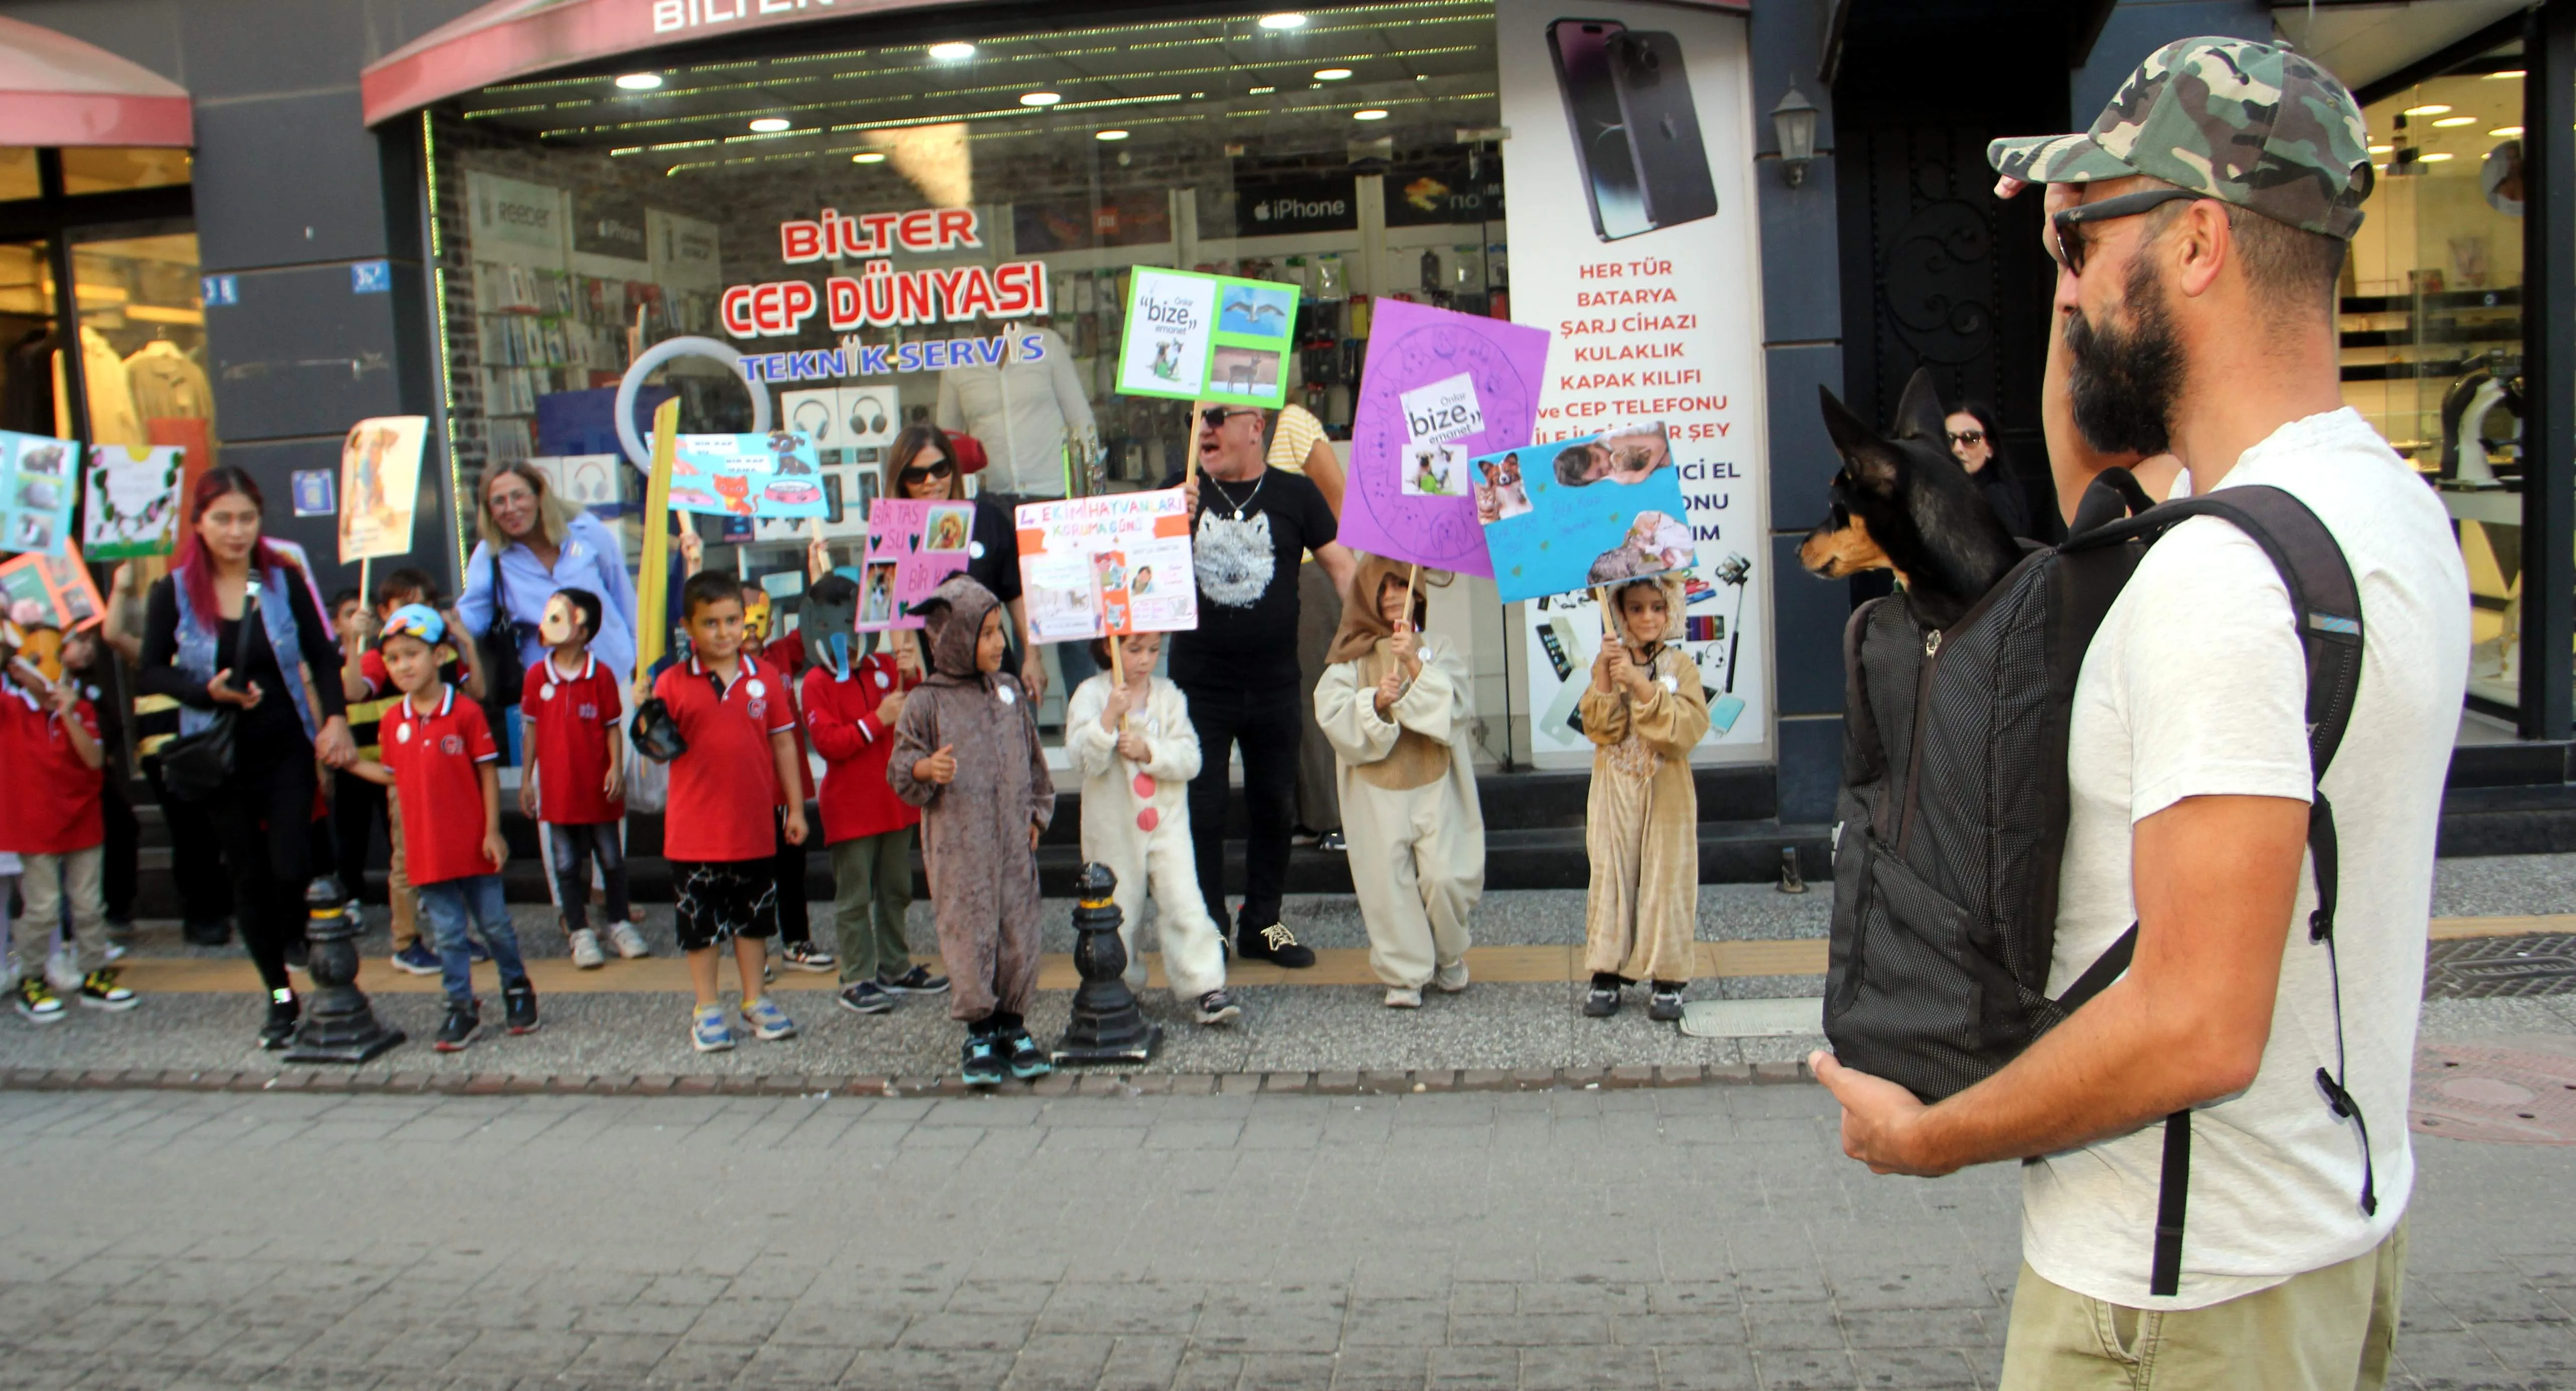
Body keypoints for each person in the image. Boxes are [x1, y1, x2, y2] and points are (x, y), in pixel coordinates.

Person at [1813, 40, 2464, 1389]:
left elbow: (2194, 1022)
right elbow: (2091, 493)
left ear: (2198, 243)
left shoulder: (2218, 579)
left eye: (2080, 243)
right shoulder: (2387, 507)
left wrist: (1927, 1137)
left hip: (2174, 1306)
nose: (2059, 282)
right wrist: (2079, 267)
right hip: (2323, 1234)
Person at [137, 467, 358, 1049]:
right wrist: (203, 690)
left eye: (246, 519)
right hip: (219, 755)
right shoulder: (175, 591)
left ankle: (300, 944)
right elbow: (150, 669)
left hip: (285, 748)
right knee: (247, 877)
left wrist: (335, 718)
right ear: (199, 524)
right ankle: (280, 996)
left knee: (291, 867)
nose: (236, 531)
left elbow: (321, 654)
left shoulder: (283, 581)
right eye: (223, 519)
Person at [1166, 404, 1358, 965]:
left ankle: (1263, 923)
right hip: (1200, 686)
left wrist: (1381, 629)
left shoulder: (1295, 494)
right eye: (1198, 419)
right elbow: (1133, 574)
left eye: (1218, 417)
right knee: (1202, 810)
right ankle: (1210, 927)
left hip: (1275, 684)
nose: (1204, 427)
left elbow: (1342, 569)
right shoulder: (1179, 490)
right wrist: (1167, 524)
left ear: (1256, 427)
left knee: (1274, 808)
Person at [888, 575, 1055, 1088]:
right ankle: (979, 1029)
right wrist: (926, 769)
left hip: (1012, 845)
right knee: (969, 931)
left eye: (999, 631)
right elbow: (900, 767)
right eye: (986, 634)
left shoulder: (1009, 692)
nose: (999, 643)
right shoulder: (927, 701)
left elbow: (1034, 761)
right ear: (956, 637)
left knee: (1018, 930)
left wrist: (1036, 815)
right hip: (960, 850)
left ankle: (1013, 1024)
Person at [345, 606, 536, 1051]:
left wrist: (492, 830)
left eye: (412, 654)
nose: (403, 666)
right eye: (393, 658)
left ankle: (516, 987)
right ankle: (461, 1006)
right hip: (426, 851)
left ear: (439, 656)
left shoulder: (465, 712)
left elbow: (487, 772)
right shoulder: (393, 720)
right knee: (448, 934)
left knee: (495, 925)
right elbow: (393, 775)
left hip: (473, 846)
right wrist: (351, 763)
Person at [1314, 556, 1485, 1009]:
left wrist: (1414, 664)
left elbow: (1457, 709)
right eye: (1383, 585)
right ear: (1367, 593)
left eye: (1401, 584)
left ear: (1418, 592)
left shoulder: (1437, 647)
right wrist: (1374, 701)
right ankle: (1406, 971)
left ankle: (1449, 951)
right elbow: (1331, 711)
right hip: (1377, 791)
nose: (1393, 595)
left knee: (1444, 876)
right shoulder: (1351, 656)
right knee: (1387, 884)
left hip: (1434, 783)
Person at [651, 570, 806, 1054]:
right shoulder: (671, 683)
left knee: (754, 920)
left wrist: (795, 808)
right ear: (688, 627)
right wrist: (647, 717)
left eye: (732, 620)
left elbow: (784, 743)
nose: (724, 632)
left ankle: (755, 999)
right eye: (711, 623)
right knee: (699, 928)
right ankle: (706, 1007)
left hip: (753, 827)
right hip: (693, 832)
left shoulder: (765, 678)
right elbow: (657, 751)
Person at [1064, 630, 1240, 1027]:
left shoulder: (1169, 696)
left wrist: (1150, 751)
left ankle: (1206, 984)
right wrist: (1107, 719)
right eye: (1134, 649)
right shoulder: (1090, 695)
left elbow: (1191, 758)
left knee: (1184, 901)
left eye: (1154, 649)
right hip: (1112, 827)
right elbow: (1084, 761)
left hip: (1167, 823)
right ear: (1109, 647)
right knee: (1119, 908)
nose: (1145, 659)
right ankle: (1120, 984)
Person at [801, 575, 947, 1016]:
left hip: (894, 802)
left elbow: (920, 711)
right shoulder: (816, 682)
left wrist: (913, 671)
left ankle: (895, 965)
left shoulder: (884, 666)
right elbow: (828, 742)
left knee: (895, 889)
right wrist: (875, 720)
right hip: (851, 809)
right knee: (854, 897)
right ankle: (856, 976)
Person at [340, 567, 487, 975]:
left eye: (424, 604)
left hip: (449, 774)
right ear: (384, 611)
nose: (415, 613)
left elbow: (477, 692)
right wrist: (353, 641)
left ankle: (454, 935)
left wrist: (467, 643)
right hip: (402, 772)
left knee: (455, 853)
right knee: (406, 860)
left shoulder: (444, 652)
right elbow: (353, 691)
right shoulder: (380, 657)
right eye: (405, 605)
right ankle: (405, 941)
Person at [1578, 575, 1707, 1021]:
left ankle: (1668, 977)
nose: (1648, 617)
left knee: (1667, 876)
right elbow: (1601, 728)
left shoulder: (1680, 665)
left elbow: (1686, 730)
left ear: (1670, 609)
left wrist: (1640, 683)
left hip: (1665, 784)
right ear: (1620, 613)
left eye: (1657, 606)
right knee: (1609, 874)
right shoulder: (1609, 659)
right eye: (1635, 608)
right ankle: (1606, 971)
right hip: (1615, 780)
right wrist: (1605, 674)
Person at [2, 625, 138, 1021]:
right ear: (17, 671)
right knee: (42, 908)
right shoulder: (10, 711)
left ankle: (95, 974)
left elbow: (93, 759)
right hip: (34, 825)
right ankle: (31, 978)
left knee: (89, 904)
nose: (47, 670)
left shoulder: (81, 708)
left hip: (82, 820)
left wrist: (68, 714)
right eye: (34, 662)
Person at [107, 559, 234, 947]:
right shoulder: (151, 652)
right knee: (189, 834)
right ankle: (201, 916)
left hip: (211, 748)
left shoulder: (211, 645)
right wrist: (120, 588)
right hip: (166, 754)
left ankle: (225, 908)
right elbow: (113, 634)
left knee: (218, 833)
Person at [883, 425, 1048, 700]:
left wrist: (1033, 657)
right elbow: (894, 613)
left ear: (953, 468)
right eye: (917, 475)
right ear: (902, 481)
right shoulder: (893, 533)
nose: (930, 481)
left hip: (995, 673)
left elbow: (1016, 595)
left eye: (940, 469)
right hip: (935, 679)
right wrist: (905, 660)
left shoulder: (986, 519)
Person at [519, 587, 638, 970]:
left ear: (583, 630)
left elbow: (612, 726)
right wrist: (526, 779)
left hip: (598, 790)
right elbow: (531, 730)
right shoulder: (536, 676)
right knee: (566, 864)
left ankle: (619, 922)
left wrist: (615, 767)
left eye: (559, 617)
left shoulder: (601, 675)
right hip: (557, 791)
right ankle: (579, 929)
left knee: (612, 860)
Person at [457, 461, 640, 695]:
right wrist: (437, 625)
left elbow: (621, 593)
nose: (510, 508)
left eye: (518, 496)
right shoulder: (490, 555)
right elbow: (473, 615)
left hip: (613, 672)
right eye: (499, 501)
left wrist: (638, 656)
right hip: (549, 687)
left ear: (539, 496)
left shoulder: (584, 530)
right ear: (489, 511)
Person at [1942, 401, 2038, 541]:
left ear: (1990, 449)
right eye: (1948, 439)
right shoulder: (1943, 492)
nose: (1958, 449)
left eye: (1971, 439)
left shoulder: (1996, 500)